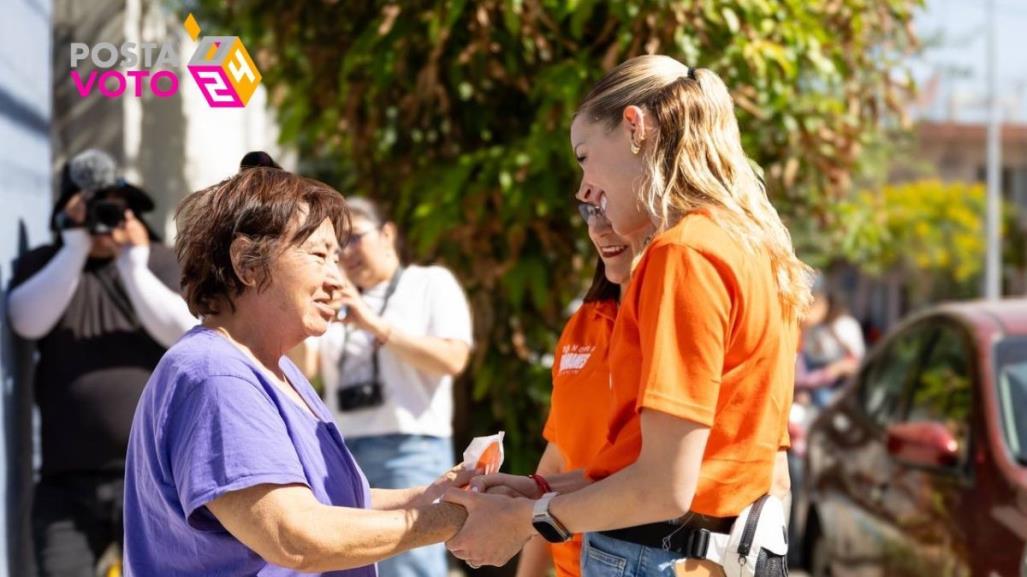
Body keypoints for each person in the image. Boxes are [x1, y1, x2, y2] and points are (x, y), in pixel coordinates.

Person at [441, 55, 812, 577]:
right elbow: (686, 468)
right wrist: (540, 490)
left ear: (635, 128)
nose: (584, 188)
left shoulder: (683, 253)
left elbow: (663, 487)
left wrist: (531, 517)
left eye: (585, 156)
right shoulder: (750, 248)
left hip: (655, 556)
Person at [122, 158, 470, 577]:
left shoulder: (272, 369)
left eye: (337, 258)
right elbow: (292, 533)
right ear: (247, 264)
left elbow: (323, 503)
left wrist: (431, 496)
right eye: (320, 255)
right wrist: (452, 520)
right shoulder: (216, 375)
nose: (336, 279)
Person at [6, 149, 196, 577]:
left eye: (112, 206)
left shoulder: (161, 262)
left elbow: (185, 333)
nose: (103, 219)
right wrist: (74, 246)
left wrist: (133, 264)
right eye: (91, 207)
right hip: (65, 481)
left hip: (153, 478)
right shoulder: (48, 266)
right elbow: (26, 320)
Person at [298, 197, 473, 577]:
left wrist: (373, 324)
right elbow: (305, 368)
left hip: (410, 449)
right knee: (347, 566)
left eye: (355, 238)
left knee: (409, 566)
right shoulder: (332, 298)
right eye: (335, 247)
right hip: (342, 452)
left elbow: (453, 359)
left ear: (387, 233)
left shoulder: (428, 283)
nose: (346, 254)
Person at [513, 202, 641, 577]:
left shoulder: (671, 319)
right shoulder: (581, 325)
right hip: (574, 563)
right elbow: (559, 453)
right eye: (590, 212)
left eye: (611, 208)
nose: (600, 229)